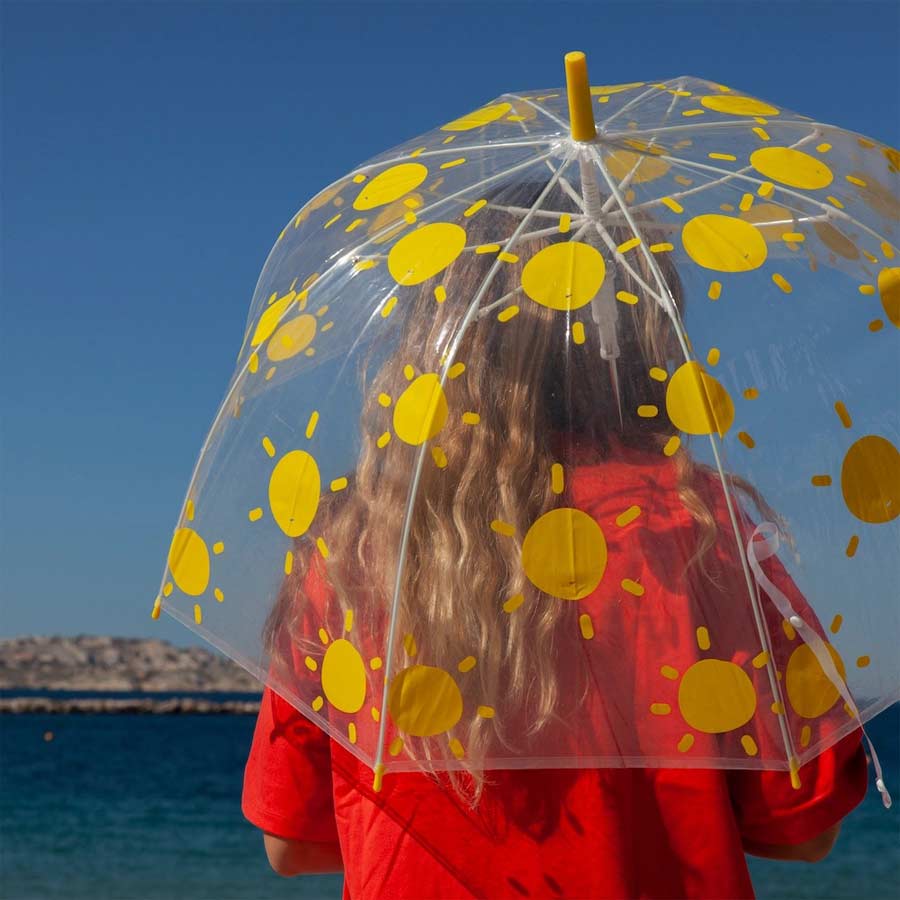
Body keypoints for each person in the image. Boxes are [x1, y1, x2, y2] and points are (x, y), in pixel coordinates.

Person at [241, 175, 869, 899]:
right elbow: (803, 828)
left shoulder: (360, 543)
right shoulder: (699, 530)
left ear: (440, 336)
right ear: (644, 334)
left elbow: (292, 842)